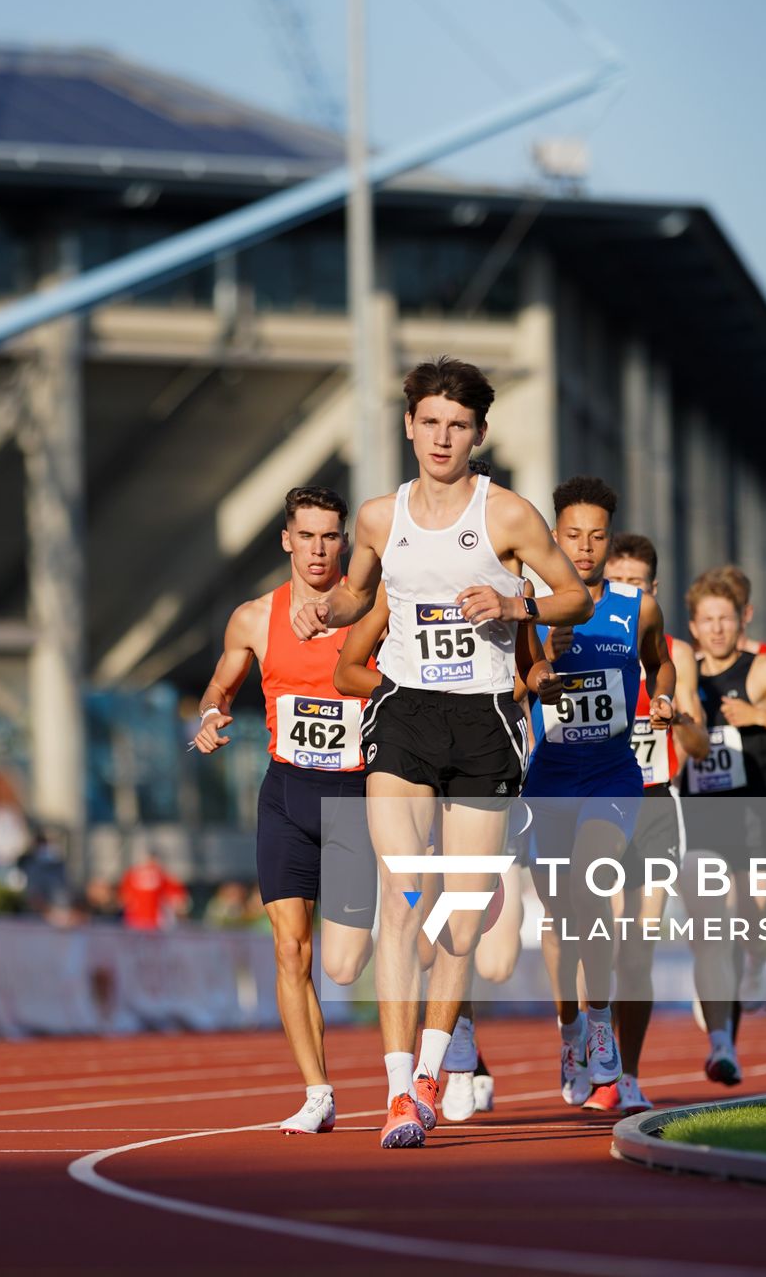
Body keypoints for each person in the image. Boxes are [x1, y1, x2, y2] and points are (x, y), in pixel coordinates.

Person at [296, 355, 593, 1148]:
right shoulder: (376, 516)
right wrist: (323, 606)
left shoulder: (509, 517)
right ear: (408, 426)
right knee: (403, 891)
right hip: (405, 711)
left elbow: (576, 595)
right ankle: (398, 1091)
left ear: (478, 434)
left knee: (459, 921)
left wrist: (511, 599)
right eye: (429, 422)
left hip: (488, 716)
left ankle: (432, 1074)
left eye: (457, 425)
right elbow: (360, 592)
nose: (441, 436)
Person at [190, 485, 377, 1136]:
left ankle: (451, 1029)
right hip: (287, 795)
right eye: (309, 535)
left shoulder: (371, 611)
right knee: (290, 950)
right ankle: (317, 1091)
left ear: (344, 541)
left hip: (358, 799)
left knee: (344, 965)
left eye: (331, 536)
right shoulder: (252, 618)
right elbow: (221, 683)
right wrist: (211, 715)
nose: (320, 548)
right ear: (286, 540)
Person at [333, 580, 550, 1123]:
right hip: (409, 738)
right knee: (403, 906)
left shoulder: (510, 580)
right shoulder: (401, 572)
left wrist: (536, 678)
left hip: (481, 746)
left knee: (472, 942)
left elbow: (529, 673)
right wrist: (405, 690)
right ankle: (403, 1088)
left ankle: (449, 1049)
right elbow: (347, 669)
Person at [519, 479, 675, 1113]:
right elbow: (516, 683)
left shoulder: (637, 608)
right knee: (560, 919)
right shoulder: (528, 606)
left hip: (613, 776)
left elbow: (659, 661)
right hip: (550, 780)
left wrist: (662, 696)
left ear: (609, 543)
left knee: (593, 884)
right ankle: (569, 1032)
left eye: (596, 537)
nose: (583, 548)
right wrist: (539, 672)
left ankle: (601, 1018)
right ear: (555, 537)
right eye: (572, 536)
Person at [580, 533, 708, 1114]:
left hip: (655, 804)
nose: (627, 593)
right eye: (619, 581)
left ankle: (628, 1074)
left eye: (638, 585)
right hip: (603, 800)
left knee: (638, 948)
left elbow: (701, 746)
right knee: (600, 943)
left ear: (652, 593)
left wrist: (675, 714)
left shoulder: (673, 653)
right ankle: (592, 1047)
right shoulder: (584, 634)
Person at [678, 572, 766, 1084]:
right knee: (710, 930)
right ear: (693, 626)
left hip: (761, 820)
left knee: (754, 929)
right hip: (701, 819)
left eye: (725, 619)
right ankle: (722, 1043)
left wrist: (759, 716)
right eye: (707, 620)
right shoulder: (682, 673)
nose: (717, 629)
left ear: (741, 620)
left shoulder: (761, 671)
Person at [118, 849, 188, 930]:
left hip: (136, 921)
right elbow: (179, 899)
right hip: (152, 922)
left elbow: (124, 898)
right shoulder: (161, 875)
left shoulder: (131, 874)